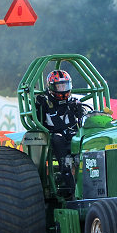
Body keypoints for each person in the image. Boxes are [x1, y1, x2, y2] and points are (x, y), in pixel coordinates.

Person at [35, 70, 86, 198]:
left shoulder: (74, 102)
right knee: (58, 139)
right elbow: (36, 118)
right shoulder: (44, 102)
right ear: (52, 87)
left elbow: (82, 119)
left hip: (73, 135)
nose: (63, 90)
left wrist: (80, 111)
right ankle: (68, 178)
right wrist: (37, 106)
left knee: (85, 139)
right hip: (55, 136)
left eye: (65, 86)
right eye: (59, 86)